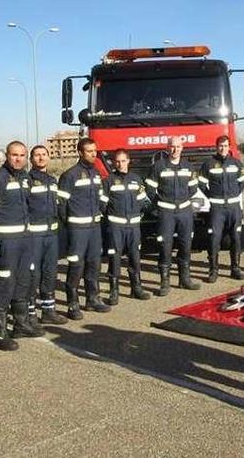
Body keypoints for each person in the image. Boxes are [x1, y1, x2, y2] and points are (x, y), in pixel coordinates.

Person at [0, 141, 44, 351]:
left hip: (26, 240)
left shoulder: (25, 178)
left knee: (24, 282)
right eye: (14, 155)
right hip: (8, 242)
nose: (18, 159)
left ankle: (21, 324)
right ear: (7, 155)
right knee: (6, 285)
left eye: (22, 155)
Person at [58, 137, 110, 318]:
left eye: (94, 151)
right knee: (76, 265)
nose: (93, 154)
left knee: (94, 263)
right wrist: (70, 223)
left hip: (94, 227)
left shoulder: (95, 173)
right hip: (78, 229)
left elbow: (102, 197)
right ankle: (73, 304)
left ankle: (92, 299)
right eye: (89, 151)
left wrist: (101, 212)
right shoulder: (69, 175)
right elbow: (61, 204)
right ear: (80, 152)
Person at [145, 136, 201, 296]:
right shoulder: (158, 167)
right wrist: (161, 204)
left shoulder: (188, 167)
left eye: (178, 146)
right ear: (167, 148)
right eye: (172, 146)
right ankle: (165, 282)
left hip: (184, 211)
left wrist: (182, 200)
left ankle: (185, 279)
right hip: (166, 212)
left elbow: (193, 188)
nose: (175, 149)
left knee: (186, 245)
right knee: (165, 246)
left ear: (182, 148)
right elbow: (150, 189)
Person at [102, 149, 152, 304]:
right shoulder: (108, 181)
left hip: (133, 226)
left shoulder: (136, 179)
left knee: (135, 256)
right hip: (116, 226)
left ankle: (136, 287)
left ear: (128, 161)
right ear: (114, 163)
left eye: (123, 161)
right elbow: (102, 204)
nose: (120, 164)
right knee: (115, 257)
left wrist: (139, 214)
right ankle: (114, 291)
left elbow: (144, 202)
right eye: (117, 161)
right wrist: (111, 219)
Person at [27, 145, 68, 325]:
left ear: (49, 157)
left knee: (50, 272)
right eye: (37, 155)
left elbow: (59, 206)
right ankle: (30, 312)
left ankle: (48, 310)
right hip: (34, 235)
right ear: (31, 159)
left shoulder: (52, 180)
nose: (41, 158)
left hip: (51, 234)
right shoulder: (27, 181)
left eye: (44, 155)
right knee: (33, 274)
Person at [198, 135, 244, 283]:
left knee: (236, 238)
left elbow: (243, 181)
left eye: (225, 146)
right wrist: (211, 196)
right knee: (214, 238)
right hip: (217, 208)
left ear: (229, 147)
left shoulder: (236, 164)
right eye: (220, 146)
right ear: (216, 147)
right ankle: (213, 270)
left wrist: (235, 192)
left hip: (234, 207)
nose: (223, 148)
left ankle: (235, 269)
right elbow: (201, 183)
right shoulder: (208, 164)